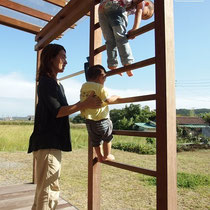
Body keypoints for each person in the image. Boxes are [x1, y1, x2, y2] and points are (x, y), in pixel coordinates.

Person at [28, 44, 102, 210]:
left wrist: (86, 103)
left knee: (45, 190)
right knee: (49, 191)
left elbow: (63, 110)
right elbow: (58, 111)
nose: (66, 61)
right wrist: (84, 104)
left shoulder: (55, 83)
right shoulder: (46, 83)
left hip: (51, 143)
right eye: (62, 56)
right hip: (48, 143)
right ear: (50, 58)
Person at [98, 0, 154, 77]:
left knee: (110, 40)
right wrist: (135, 28)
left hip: (102, 8)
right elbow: (139, 11)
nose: (142, 17)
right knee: (120, 37)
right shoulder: (142, 2)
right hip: (116, 6)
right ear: (147, 4)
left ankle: (112, 64)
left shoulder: (129, 6)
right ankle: (127, 63)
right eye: (146, 14)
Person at [80, 64, 120, 162]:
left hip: (89, 121)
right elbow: (109, 100)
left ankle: (99, 156)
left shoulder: (84, 86)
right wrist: (116, 96)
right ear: (101, 77)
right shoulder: (100, 88)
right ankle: (106, 155)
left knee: (95, 141)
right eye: (104, 79)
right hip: (102, 120)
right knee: (107, 138)